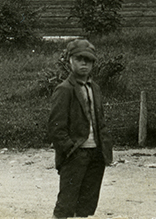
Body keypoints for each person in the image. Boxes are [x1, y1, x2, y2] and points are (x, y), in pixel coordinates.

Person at [49, 39, 113, 219]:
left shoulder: (95, 89)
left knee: (86, 205)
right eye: (79, 58)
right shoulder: (64, 90)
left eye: (89, 59)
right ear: (70, 60)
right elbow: (56, 126)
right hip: (75, 154)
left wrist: (105, 147)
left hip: (95, 154)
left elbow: (100, 121)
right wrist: (70, 149)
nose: (84, 63)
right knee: (65, 204)